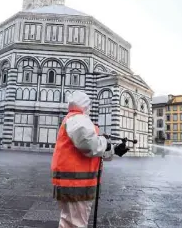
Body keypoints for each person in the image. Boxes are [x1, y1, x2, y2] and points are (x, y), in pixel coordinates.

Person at [51, 91, 129, 228]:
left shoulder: (72, 118)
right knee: (76, 224)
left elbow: (87, 148)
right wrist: (106, 143)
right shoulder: (78, 119)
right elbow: (89, 145)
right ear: (86, 105)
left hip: (73, 184)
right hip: (76, 185)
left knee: (69, 222)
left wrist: (113, 150)